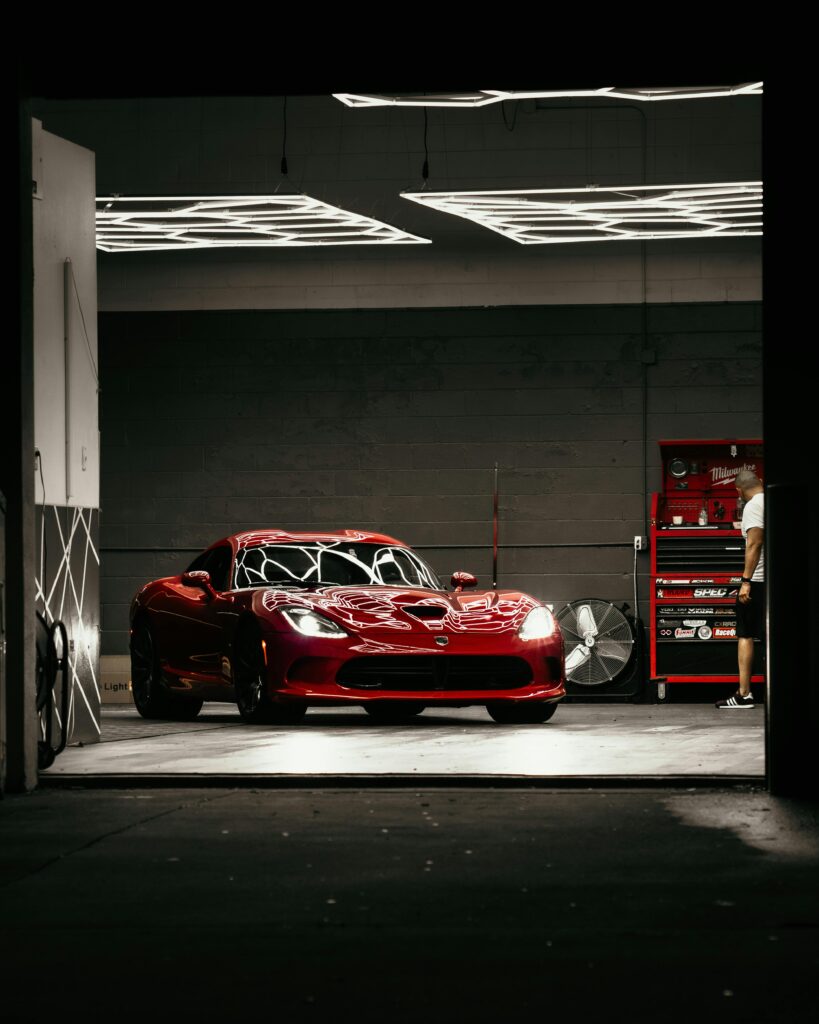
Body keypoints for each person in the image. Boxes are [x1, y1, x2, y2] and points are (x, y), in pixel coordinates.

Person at [715, 469, 764, 709]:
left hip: (758, 580)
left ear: (738, 491)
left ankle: (744, 694)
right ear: (761, 482)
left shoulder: (753, 506)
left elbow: (754, 544)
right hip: (774, 582)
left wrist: (746, 581)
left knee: (745, 634)